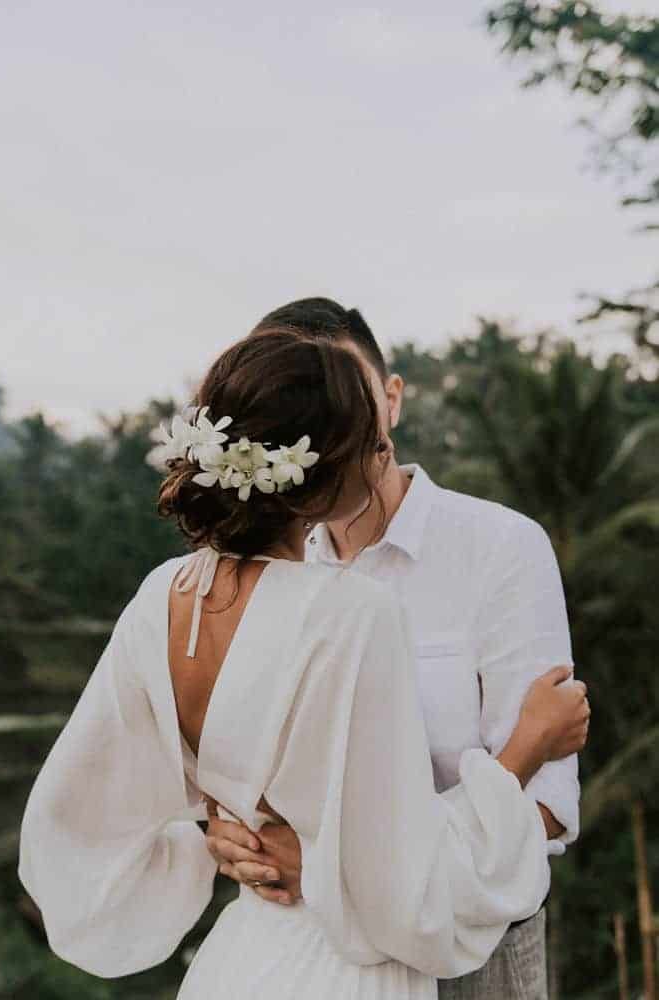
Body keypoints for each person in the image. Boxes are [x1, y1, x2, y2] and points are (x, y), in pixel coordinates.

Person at [18, 327, 589, 999]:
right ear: (319, 481)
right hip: (352, 972)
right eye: (370, 444)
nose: (387, 453)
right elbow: (413, 884)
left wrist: (230, 837)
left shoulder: (165, 598)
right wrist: (530, 744)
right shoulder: (353, 612)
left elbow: (80, 819)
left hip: (241, 963)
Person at [205, 298, 582, 999]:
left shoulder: (501, 548)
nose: (328, 430)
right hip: (311, 957)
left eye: (345, 399)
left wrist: (322, 863)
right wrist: (224, 829)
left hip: (473, 954)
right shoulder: (259, 576)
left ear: (390, 400)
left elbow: (546, 809)